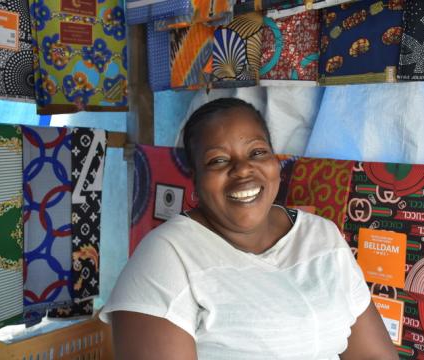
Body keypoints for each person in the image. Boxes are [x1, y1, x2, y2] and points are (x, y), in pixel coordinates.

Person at [100, 98, 398, 359]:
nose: (243, 169)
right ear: (195, 179)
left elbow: (373, 354)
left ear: (276, 162)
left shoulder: (322, 237)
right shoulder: (166, 258)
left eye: (257, 152)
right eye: (218, 160)